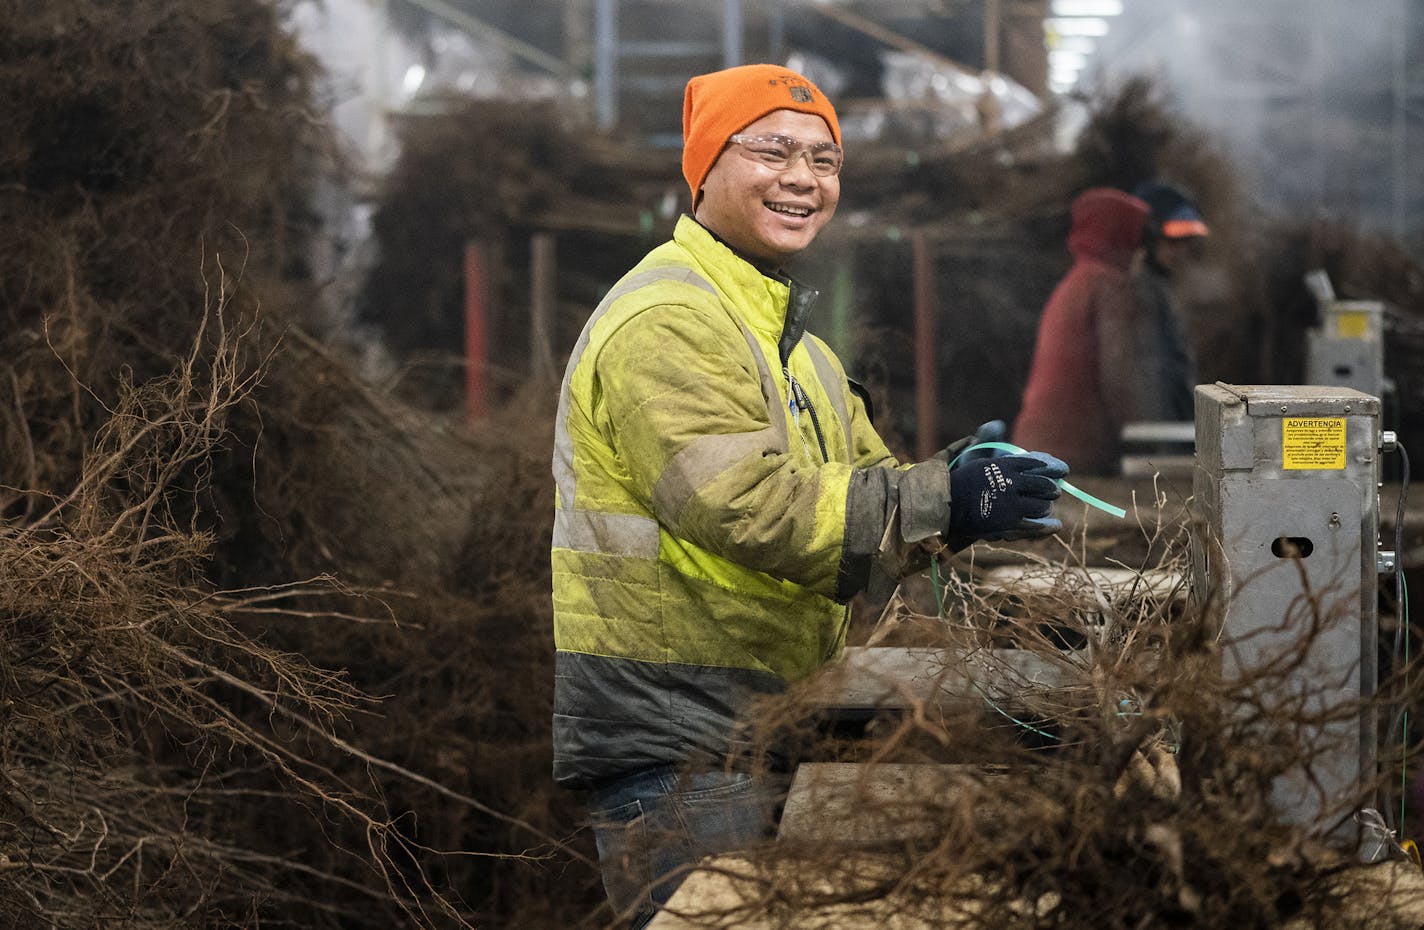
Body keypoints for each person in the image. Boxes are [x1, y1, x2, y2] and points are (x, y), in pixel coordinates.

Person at [551, 63, 1069, 929]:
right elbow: (748, 507)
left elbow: (868, 494)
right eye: (773, 151)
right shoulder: (668, 321)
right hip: (678, 744)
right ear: (705, 166)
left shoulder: (797, 350)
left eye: (825, 160)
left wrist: (957, 476)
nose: (803, 178)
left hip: (757, 721)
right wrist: (946, 498)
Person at [1012, 187, 1150, 474]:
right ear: (1119, 234)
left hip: (1038, 442)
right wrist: (1144, 436)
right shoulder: (1111, 285)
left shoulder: (1075, 280)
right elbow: (1118, 373)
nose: (1140, 246)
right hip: (1077, 450)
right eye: (1135, 234)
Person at [1130, 181, 1209, 424]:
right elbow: (1151, 376)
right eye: (1172, 242)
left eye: (1187, 242)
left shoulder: (1163, 287)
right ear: (1149, 238)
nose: (1181, 251)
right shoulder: (1138, 291)